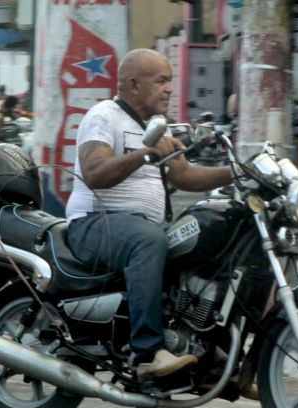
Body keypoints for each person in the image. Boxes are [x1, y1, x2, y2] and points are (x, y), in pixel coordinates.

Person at [66, 48, 233, 381]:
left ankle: (211, 352)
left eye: (170, 81)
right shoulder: (104, 115)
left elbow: (185, 175)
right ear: (133, 84)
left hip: (141, 229)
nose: (169, 88)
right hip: (94, 223)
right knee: (149, 239)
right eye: (161, 81)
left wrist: (238, 172)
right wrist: (145, 154)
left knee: (213, 239)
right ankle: (147, 353)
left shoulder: (158, 127)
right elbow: (95, 172)